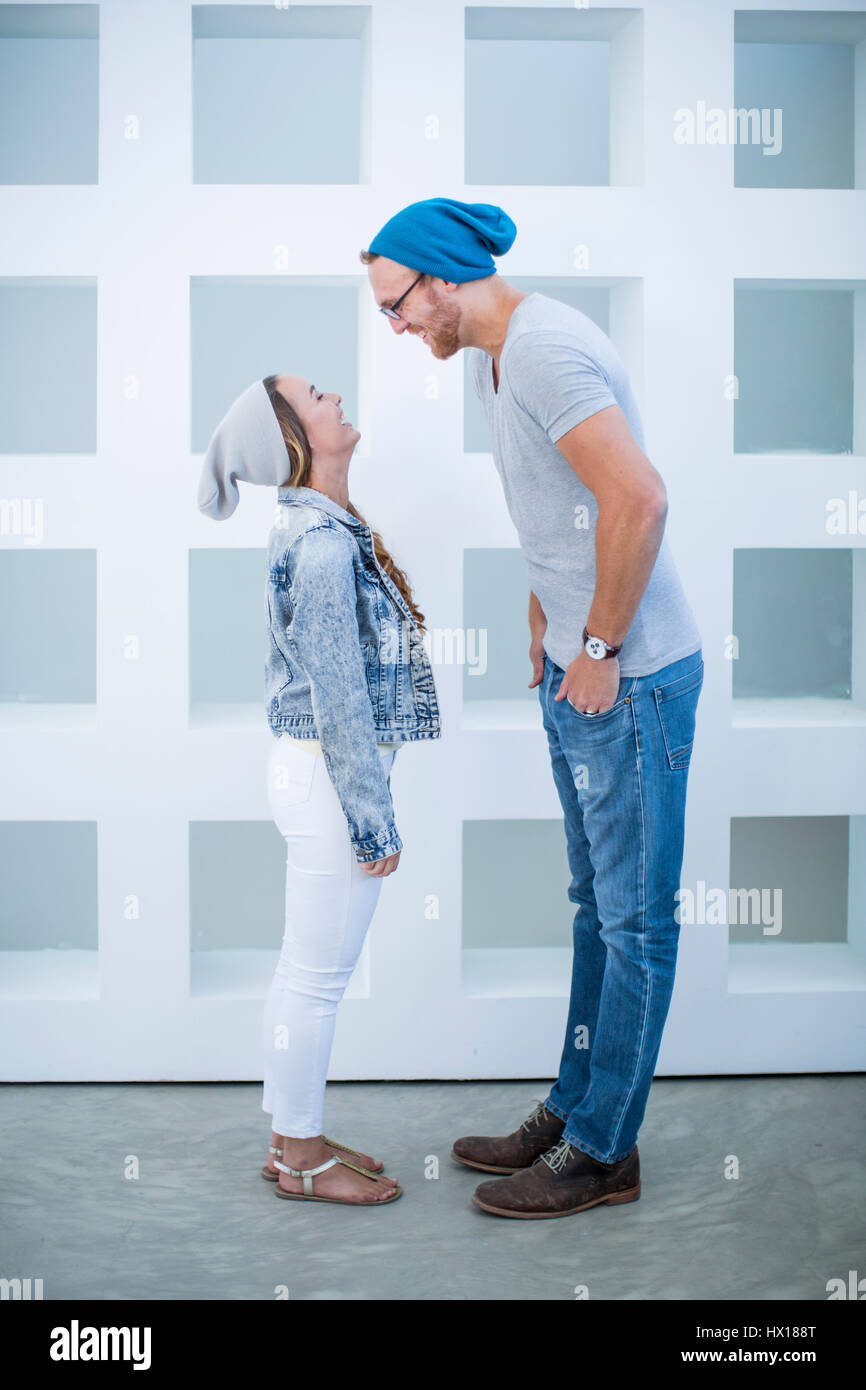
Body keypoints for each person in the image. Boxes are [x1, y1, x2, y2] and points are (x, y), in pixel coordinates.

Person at [361, 197, 704, 1220]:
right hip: (576, 665)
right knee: (595, 908)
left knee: (635, 921)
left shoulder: (545, 351)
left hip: (629, 677)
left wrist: (597, 643)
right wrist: (544, 611)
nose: (396, 326)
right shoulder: (490, 356)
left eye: (397, 305)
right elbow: (561, 500)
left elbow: (637, 498)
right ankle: (571, 1106)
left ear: (446, 279)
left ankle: (604, 1151)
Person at [197, 373, 440, 1206]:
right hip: (332, 784)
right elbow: (341, 701)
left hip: (314, 777)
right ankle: (300, 1159)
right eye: (315, 395)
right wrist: (375, 823)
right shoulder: (324, 545)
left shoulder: (317, 528)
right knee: (315, 980)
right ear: (294, 440)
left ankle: (292, 1137)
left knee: (305, 970)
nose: (334, 395)